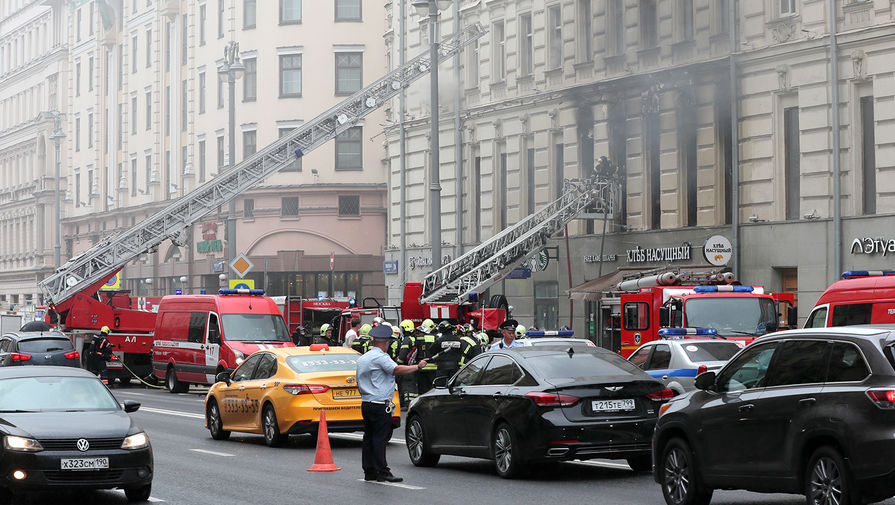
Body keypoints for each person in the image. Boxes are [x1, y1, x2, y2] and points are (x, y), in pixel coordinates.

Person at [356, 324, 428, 483]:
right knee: (380, 439)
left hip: (366, 402)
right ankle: (383, 471)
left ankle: (369, 471)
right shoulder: (381, 357)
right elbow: (396, 370)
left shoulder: (363, 358)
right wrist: (417, 366)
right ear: (385, 342)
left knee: (368, 437)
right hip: (380, 404)